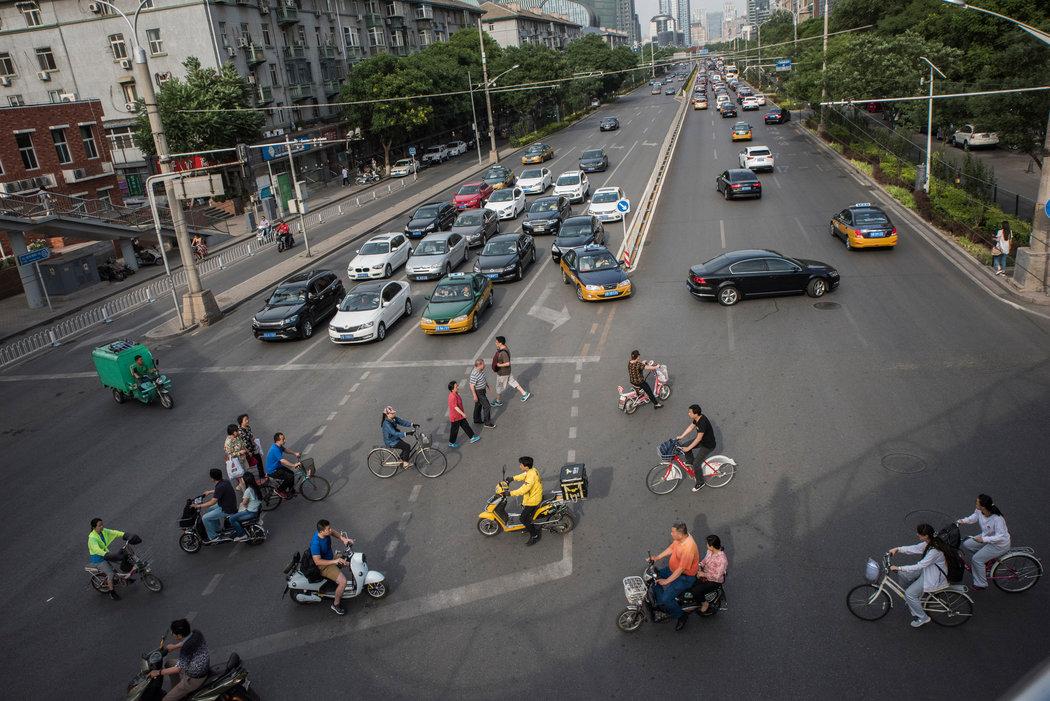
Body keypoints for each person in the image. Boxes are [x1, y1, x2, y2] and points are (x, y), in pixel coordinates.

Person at [889, 523, 953, 628]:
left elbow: (919, 566)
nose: (917, 535)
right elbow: (915, 548)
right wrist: (898, 549)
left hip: (933, 576)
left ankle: (923, 618)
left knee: (909, 594)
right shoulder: (931, 542)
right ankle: (915, 599)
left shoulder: (934, 551)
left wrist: (899, 568)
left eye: (920, 534)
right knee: (905, 575)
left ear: (926, 536)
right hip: (929, 570)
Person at [650, 522, 700, 631]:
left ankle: (681, 615)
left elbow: (681, 569)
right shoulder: (680, 539)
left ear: (680, 534)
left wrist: (667, 581)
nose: (671, 534)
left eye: (673, 532)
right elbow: (671, 548)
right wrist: (657, 557)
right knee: (653, 578)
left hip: (684, 577)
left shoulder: (688, 548)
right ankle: (661, 604)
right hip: (673, 569)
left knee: (665, 599)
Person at [956, 494, 1010, 590]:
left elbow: (1000, 536)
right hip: (986, 537)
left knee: (976, 559)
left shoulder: (997, 519)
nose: (975, 504)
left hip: (999, 545)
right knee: (967, 544)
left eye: (977, 503)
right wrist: (962, 521)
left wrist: (984, 539)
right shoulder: (980, 511)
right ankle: (984, 561)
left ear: (983, 506)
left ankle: (981, 584)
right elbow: (974, 517)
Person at [147, 619, 210, 700]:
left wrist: (158, 672)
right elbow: (188, 641)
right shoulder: (196, 633)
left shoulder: (186, 649)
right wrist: (174, 646)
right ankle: (177, 688)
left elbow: (178, 668)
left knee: (166, 700)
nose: (172, 634)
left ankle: (181, 692)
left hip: (194, 678)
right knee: (169, 663)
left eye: (173, 633)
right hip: (197, 665)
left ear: (179, 636)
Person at [311, 519, 355, 615]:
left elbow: (333, 532)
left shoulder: (324, 532)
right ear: (322, 531)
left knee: (352, 562)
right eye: (328, 529)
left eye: (330, 527)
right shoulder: (315, 543)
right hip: (324, 566)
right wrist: (335, 561)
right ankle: (335, 604)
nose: (330, 530)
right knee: (343, 582)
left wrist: (343, 539)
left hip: (330, 557)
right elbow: (317, 561)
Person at [676, 404, 716, 493]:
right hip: (702, 441)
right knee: (685, 445)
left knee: (696, 463)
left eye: (690, 412)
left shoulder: (702, 422)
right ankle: (690, 461)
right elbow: (691, 427)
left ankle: (700, 482)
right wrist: (681, 436)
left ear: (696, 413)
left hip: (707, 445)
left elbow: (698, 438)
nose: (688, 414)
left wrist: (688, 448)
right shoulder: (697, 418)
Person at [194, 468, 239, 541]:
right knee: (210, 509)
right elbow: (220, 490)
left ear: (212, 478)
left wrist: (199, 506)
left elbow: (212, 502)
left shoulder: (219, 487)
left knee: (205, 518)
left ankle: (213, 537)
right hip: (229, 504)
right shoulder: (225, 481)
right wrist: (210, 492)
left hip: (227, 509)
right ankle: (217, 529)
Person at [87, 518, 127, 600]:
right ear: (94, 527)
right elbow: (96, 549)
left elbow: (114, 532)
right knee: (110, 574)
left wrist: (124, 535)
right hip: (99, 559)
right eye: (99, 525)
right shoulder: (92, 538)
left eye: (102, 524)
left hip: (106, 554)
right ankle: (112, 592)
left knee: (121, 560)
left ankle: (124, 578)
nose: (102, 526)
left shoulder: (103, 531)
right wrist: (107, 554)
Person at [690, 534, 728, 615]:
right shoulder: (710, 551)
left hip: (713, 580)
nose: (706, 545)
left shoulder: (722, 560)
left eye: (707, 544)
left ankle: (705, 603)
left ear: (712, 546)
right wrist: (700, 565)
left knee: (695, 591)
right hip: (704, 573)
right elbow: (705, 560)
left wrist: (703, 574)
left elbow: (717, 576)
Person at [510, 456, 543, 546]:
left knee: (522, 518)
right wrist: (512, 478)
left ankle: (535, 535)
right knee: (525, 514)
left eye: (521, 465)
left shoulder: (530, 477)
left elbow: (523, 490)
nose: (519, 466)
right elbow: (524, 475)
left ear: (526, 467)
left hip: (533, 500)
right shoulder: (532, 470)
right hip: (533, 496)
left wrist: (510, 493)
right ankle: (529, 526)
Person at [492, 336, 530, 406]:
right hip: (507, 371)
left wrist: (498, 365)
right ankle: (524, 393)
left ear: (500, 343)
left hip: (503, 373)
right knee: (512, 382)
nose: (495, 343)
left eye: (497, 342)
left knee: (499, 387)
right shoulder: (504, 348)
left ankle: (498, 401)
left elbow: (507, 363)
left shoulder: (503, 353)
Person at [228, 472, 262, 542]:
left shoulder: (248, 490)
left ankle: (242, 534)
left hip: (251, 512)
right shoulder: (256, 486)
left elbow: (244, 503)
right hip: (256, 509)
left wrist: (243, 505)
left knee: (232, 519)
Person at [265, 432, 301, 496]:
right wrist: (294, 465)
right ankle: (279, 490)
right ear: (277, 441)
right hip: (273, 470)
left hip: (277, 467)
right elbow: (283, 461)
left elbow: (285, 450)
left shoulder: (278, 446)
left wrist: (295, 453)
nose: (285, 440)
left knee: (291, 473)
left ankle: (291, 491)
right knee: (289, 477)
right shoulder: (275, 449)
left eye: (284, 438)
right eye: (283, 439)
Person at [447, 380, 481, 448]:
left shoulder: (454, 394)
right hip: (456, 417)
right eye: (456, 387)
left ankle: (472, 437)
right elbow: (455, 407)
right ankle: (451, 442)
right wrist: (463, 414)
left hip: (459, 416)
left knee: (466, 426)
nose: (458, 387)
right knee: (454, 431)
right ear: (452, 389)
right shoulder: (453, 397)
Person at [469, 358, 496, 428]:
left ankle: (476, 419)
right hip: (479, 392)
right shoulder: (474, 373)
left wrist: (488, 386)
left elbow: (483, 379)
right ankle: (487, 422)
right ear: (480, 365)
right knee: (487, 406)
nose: (485, 365)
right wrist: (474, 395)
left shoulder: (481, 370)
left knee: (478, 405)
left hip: (482, 391)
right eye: (483, 363)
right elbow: (471, 385)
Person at [237, 414, 264, 480]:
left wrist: (255, 443)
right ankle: (248, 480)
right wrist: (248, 452)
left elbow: (251, 436)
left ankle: (262, 475)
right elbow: (241, 444)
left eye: (247, 419)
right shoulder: (239, 432)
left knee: (259, 461)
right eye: (245, 420)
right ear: (241, 422)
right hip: (247, 451)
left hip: (253, 448)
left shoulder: (248, 427)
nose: (247, 421)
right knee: (248, 467)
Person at [223, 423, 248, 488]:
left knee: (245, 474)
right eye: (236, 431)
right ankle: (245, 493)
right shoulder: (228, 442)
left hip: (242, 458)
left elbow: (242, 443)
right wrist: (239, 452)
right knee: (241, 478)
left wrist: (246, 450)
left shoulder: (238, 437)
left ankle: (244, 486)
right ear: (233, 432)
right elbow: (229, 454)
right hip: (236, 461)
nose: (238, 432)